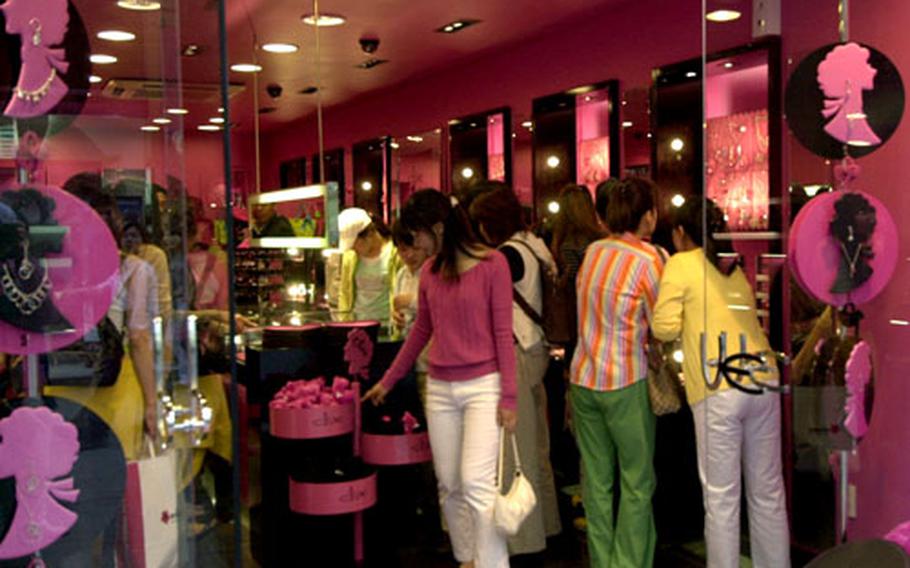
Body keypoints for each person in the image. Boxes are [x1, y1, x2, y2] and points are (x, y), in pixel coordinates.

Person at [363, 189, 517, 568]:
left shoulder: (493, 264)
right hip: (440, 388)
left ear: (436, 228)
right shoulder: (430, 273)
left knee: (477, 484)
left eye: (415, 237)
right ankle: (467, 559)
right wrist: (388, 379)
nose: (412, 247)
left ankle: (492, 563)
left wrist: (509, 396)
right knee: (449, 484)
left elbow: (503, 333)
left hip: (484, 386)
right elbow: (421, 332)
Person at [652, 199, 790, 568]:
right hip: (762, 379)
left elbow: (662, 326)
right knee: (768, 493)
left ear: (681, 233)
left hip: (718, 388)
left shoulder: (680, 263)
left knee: (722, 500)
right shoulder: (732, 263)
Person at [569, 177, 664, 567]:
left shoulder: (593, 251)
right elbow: (662, 324)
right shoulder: (649, 259)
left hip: (583, 378)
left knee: (596, 482)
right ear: (648, 216)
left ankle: (601, 561)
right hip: (626, 379)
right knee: (637, 483)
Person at [469, 186, 562, 556]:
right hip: (535, 349)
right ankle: (549, 524)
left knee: (515, 452)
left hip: (517, 353)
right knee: (537, 449)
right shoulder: (532, 245)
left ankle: (523, 541)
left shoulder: (506, 256)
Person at [47, 173, 159, 461]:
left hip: (62, 388)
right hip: (114, 391)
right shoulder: (133, 269)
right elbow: (139, 338)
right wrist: (151, 402)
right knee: (115, 485)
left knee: (67, 484)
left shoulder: (50, 267)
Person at [550, 184, 607, 364]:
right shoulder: (601, 240)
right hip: (601, 305)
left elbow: (572, 278)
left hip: (576, 311)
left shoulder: (567, 243)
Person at [337, 207, 402, 322]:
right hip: (357, 324)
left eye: (355, 243)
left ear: (370, 234)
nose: (352, 248)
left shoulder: (395, 255)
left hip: (386, 326)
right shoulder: (350, 257)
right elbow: (344, 293)